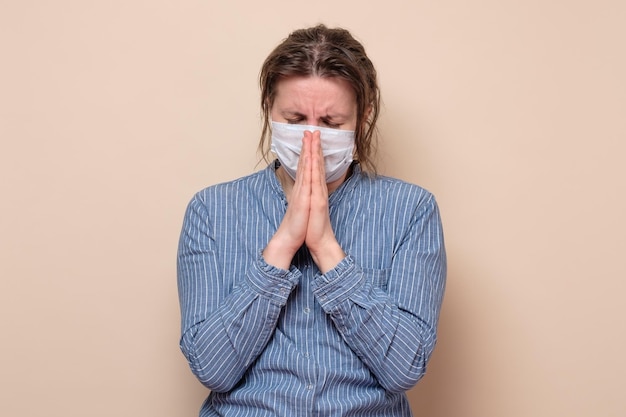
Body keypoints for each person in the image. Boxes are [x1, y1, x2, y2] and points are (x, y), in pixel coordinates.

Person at [177, 24, 446, 417]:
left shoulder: (412, 211)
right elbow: (212, 368)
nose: (312, 139)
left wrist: (326, 248)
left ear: (363, 117)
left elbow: (404, 367)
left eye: (332, 122)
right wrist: (283, 245)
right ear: (269, 108)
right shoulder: (211, 210)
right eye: (296, 117)